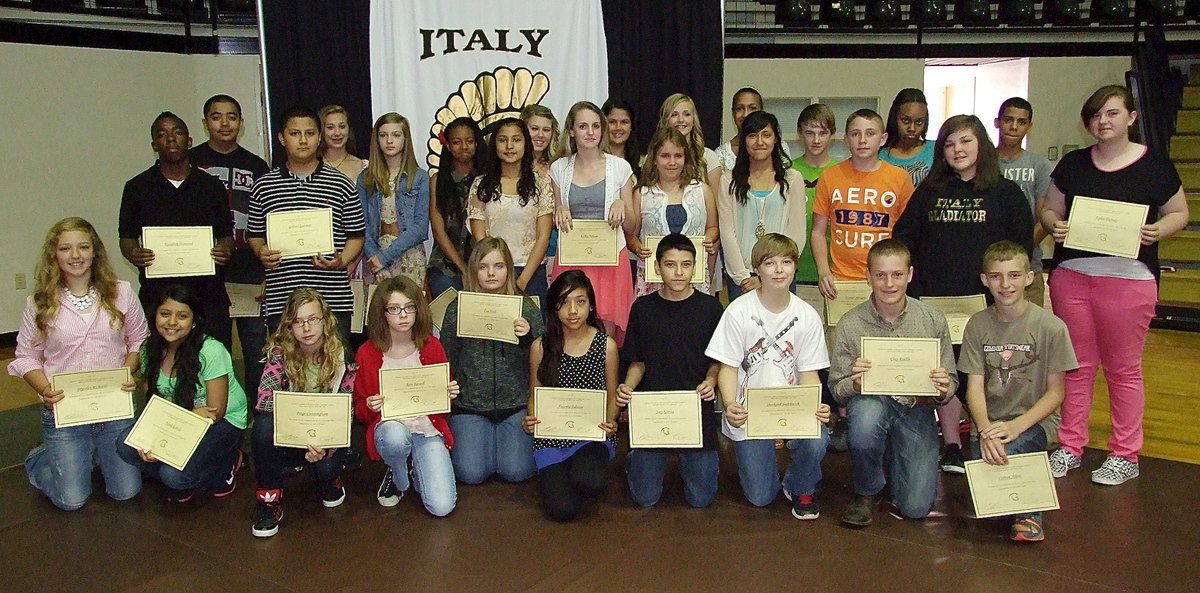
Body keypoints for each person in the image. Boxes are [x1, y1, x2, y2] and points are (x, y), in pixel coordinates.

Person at [1041, 85, 1190, 485]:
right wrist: (1053, 223)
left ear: (1131, 117)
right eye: (1095, 116)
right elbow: (1050, 207)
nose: (1102, 122)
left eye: (1110, 113)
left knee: (1123, 370)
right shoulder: (1073, 164)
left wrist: (1159, 230)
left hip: (1129, 281)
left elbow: (1179, 212)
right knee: (1076, 368)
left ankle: (1125, 454)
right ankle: (1070, 446)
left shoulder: (1154, 165)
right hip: (1072, 277)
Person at [892, 114, 1033, 474]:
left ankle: (990, 440)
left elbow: (1019, 248)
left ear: (981, 144)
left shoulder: (1007, 193)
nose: (957, 150)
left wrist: (1006, 290)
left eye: (965, 141)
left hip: (987, 305)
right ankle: (952, 444)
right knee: (947, 372)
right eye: (949, 144)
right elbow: (905, 237)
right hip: (936, 301)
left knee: (987, 373)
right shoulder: (928, 192)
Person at [9, 218, 148, 511]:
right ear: (54, 255)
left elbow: (139, 340)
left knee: (126, 491)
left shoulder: (121, 292)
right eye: (65, 249)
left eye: (83, 247)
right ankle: (39, 458)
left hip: (114, 409)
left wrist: (129, 370)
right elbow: (25, 356)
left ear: (95, 251)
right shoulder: (40, 303)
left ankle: (89, 455)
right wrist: (45, 390)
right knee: (71, 500)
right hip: (64, 411)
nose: (76, 256)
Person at [828, 239, 956, 526]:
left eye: (897, 274)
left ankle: (889, 458)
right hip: (871, 405)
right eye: (880, 275)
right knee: (865, 420)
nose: (889, 283)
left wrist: (944, 387)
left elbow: (951, 385)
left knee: (915, 508)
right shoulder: (850, 322)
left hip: (916, 409)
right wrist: (855, 384)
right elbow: (836, 387)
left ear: (910, 274)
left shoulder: (932, 319)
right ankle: (868, 489)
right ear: (868, 276)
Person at [705, 233, 831, 518]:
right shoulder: (738, 311)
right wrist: (730, 404)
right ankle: (766, 475)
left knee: (819, 438)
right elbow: (728, 367)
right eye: (770, 263)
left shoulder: (807, 316)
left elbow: (809, 372)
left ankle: (799, 485)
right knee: (761, 497)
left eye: (786, 262)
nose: (778, 270)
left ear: (795, 267)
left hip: (792, 408)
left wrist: (815, 404)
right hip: (751, 414)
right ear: (757, 268)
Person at [961, 241, 1078, 541]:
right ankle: (1016, 485)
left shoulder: (1051, 327)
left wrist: (1016, 426)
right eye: (996, 276)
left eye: (1014, 275)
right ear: (985, 280)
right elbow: (973, 387)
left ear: (1029, 278)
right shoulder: (977, 324)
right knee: (990, 487)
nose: (1005, 284)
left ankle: (1029, 512)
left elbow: (1056, 393)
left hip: (1034, 421)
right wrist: (985, 429)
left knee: (1008, 452)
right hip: (989, 425)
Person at [247, 105, 365, 352]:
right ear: (281, 138)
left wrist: (341, 260)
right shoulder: (264, 186)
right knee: (286, 375)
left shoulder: (341, 183)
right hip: (282, 301)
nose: (303, 140)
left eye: (310, 133)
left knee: (336, 375)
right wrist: (261, 252)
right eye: (294, 133)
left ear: (319, 137)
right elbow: (255, 235)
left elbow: (356, 236)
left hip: (332, 300)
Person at [617, 234, 723, 508]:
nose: (678, 272)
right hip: (653, 408)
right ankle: (636, 458)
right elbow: (637, 361)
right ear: (657, 267)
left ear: (695, 267)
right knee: (645, 498)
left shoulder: (711, 308)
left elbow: (718, 360)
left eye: (686, 265)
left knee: (702, 499)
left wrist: (711, 381)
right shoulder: (643, 308)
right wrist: (628, 387)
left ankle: (698, 461)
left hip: (696, 409)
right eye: (670, 264)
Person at [117, 284, 248, 502]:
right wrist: (151, 440)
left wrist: (171, 436)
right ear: (155, 316)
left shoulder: (211, 350)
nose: (171, 322)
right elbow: (154, 406)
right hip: (179, 420)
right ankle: (180, 469)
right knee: (125, 445)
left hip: (222, 423)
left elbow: (216, 412)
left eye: (182, 316)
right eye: (165, 314)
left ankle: (228, 461)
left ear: (194, 320)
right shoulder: (149, 350)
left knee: (174, 476)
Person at [119, 111, 233, 348]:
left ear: (189, 141)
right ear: (154, 145)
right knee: (159, 359)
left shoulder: (211, 186)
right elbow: (127, 237)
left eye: (178, 133)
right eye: (162, 134)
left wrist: (224, 249)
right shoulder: (137, 187)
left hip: (207, 293)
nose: (171, 139)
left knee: (214, 355)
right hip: (158, 292)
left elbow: (226, 234)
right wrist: (133, 253)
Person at [250, 288, 356, 537]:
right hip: (291, 435)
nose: (306, 328)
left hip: (326, 437)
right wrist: (299, 435)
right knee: (263, 426)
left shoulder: (343, 357)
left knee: (325, 470)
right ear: (289, 326)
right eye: (298, 322)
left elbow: (345, 413)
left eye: (313, 319)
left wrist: (325, 444)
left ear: (325, 320)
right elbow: (265, 402)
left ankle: (331, 478)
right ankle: (269, 499)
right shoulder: (279, 354)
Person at [354, 276, 460, 516]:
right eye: (394, 308)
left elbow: (442, 408)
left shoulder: (432, 346)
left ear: (418, 309)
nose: (403, 314)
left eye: (409, 307)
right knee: (394, 437)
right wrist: (370, 405)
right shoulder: (367, 352)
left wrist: (449, 395)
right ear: (382, 313)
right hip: (390, 429)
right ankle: (396, 466)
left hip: (426, 427)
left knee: (441, 507)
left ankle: (416, 467)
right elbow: (359, 409)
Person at [441, 238, 544, 484]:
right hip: (471, 407)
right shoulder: (458, 308)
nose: (490, 273)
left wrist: (528, 337)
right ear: (474, 269)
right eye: (483, 266)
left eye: (498, 266)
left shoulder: (526, 308)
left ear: (508, 268)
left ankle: (499, 444)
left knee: (517, 472)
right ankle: (486, 442)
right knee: (470, 473)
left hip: (515, 407)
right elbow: (447, 356)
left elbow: (545, 359)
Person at [190, 94, 271, 402]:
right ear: (204, 123)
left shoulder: (256, 165)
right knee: (211, 346)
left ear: (241, 122)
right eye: (216, 116)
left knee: (254, 347)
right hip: (205, 272)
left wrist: (268, 273)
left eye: (232, 116)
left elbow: (269, 219)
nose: (224, 123)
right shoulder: (192, 163)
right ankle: (213, 409)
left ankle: (254, 412)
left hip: (248, 270)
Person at [524, 270, 620, 521]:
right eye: (564, 303)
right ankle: (559, 473)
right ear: (554, 308)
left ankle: (579, 470)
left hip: (591, 436)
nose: (573, 310)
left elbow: (612, 397)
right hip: (552, 439)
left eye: (580, 301)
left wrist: (610, 422)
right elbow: (535, 395)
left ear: (591, 306)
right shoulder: (541, 346)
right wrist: (531, 418)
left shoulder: (606, 345)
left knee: (588, 483)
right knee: (562, 511)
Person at [549, 101, 636, 344]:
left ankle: (605, 382)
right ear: (572, 131)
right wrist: (560, 209)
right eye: (583, 126)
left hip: (609, 261)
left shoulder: (620, 167)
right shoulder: (559, 168)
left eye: (596, 126)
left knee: (605, 337)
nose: (590, 132)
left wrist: (622, 207)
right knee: (570, 328)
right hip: (572, 259)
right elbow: (555, 220)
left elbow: (632, 226)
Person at [811, 109, 915, 299]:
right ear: (846, 140)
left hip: (885, 281)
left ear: (882, 139)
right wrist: (823, 271)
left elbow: (910, 232)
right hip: (840, 280)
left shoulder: (900, 178)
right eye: (855, 134)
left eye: (870, 133)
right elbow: (818, 231)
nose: (862, 140)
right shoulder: (829, 177)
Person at [719, 111, 807, 302]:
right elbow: (727, 234)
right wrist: (743, 277)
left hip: (780, 276)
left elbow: (797, 234)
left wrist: (772, 273)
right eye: (752, 135)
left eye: (766, 135)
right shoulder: (728, 181)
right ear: (744, 141)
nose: (759, 142)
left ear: (776, 139)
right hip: (742, 279)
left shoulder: (792, 179)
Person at [468, 117, 554, 304]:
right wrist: (496, 273)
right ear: (494, 145)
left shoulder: (541, 184)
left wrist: (521, 282)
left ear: (525, 144)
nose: (509, 146)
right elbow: (480, 239)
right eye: (502, 140)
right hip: (491, 274)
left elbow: (543, 237)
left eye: (516, 139)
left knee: (532, 332)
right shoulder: (480, 185)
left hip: (531, 273)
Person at [628, 126, 719, 297]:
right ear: (654, 159)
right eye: (665, 156)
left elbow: (713, 227)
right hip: (652, 279)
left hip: (692, 277)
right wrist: (638, 247)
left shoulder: (702, 190)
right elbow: (631, 235)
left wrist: (709, 238)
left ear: (686, 158)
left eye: (678, 156)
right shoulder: (642, 194)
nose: (672, 162)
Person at [359, 112, 430, 287]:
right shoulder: (366, 178)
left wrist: (385, 257)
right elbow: (361, 224)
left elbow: (421, 227)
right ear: (377, 140)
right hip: (374, 257)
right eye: (383, 135)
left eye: (396, 135)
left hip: (409, 255)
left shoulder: (419, 177)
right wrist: (378, 263)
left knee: (409, 309)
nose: (389, 141)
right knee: (377, 311)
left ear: (405, 139)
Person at [995, 97, 1053, 306]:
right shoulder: (983, 163)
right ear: (997, 122)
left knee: (1029, 333)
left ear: (1029, 126)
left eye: (1021, 122)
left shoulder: (1040, 165)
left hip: (1029, 266)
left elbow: (1045, 217)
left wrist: (1019, 253)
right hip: (989, 265)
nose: (1013, 127)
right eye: (1008, 120)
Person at [429, 117, 486, 297]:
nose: (464, 147)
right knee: (449, 319)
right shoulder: (438, 181)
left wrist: (475, 269)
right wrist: (463, 268)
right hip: (444, 265)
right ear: (447, 145)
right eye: (456, 142)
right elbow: (438, 231)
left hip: (483, 264)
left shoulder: (487, 179)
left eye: (469, 141)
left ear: (477, 143)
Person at [789, 103, 840, 288]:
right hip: (794, 266)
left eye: (823, 133)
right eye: (810, 133)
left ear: (832, 134)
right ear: (800, 134)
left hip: (832, 267)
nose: (816, 140)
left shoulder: (841, 172)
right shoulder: (787, 172)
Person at [660, 93, 722, 193]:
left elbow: (715, 204)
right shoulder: (653, 157)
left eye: (687, 114)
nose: (680, 120)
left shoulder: (709, 157)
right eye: (674, 115)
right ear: (665, 120)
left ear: (694, 120)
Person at [880, 88, 935, 187]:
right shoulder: (878, 155)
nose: (912, 128)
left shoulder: (937, 150)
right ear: (894, 118)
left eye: (919, 122)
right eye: (905, 120)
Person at [318, 104, 367, 182]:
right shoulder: (311, 166)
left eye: (342, 127)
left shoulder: (363, 167)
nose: (337, 133)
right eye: (330, 127)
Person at [603, 98, 643, 180]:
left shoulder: (641, 163)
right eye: (612, 122)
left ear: (631, 126)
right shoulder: (593, 160)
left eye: (624, 122)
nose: (618, 127)